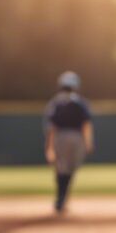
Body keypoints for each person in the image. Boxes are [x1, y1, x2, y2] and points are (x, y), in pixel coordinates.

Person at [44, 71, 93, 214]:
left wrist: (50, 146)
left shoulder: (56, 103)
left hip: (60, 138)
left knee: (61, 169)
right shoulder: (80, 102)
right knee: (70, 170)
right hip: (76, 138)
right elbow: (86, 124)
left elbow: (51, 127)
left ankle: (60, 198)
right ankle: (63, 199)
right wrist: (88, 142)